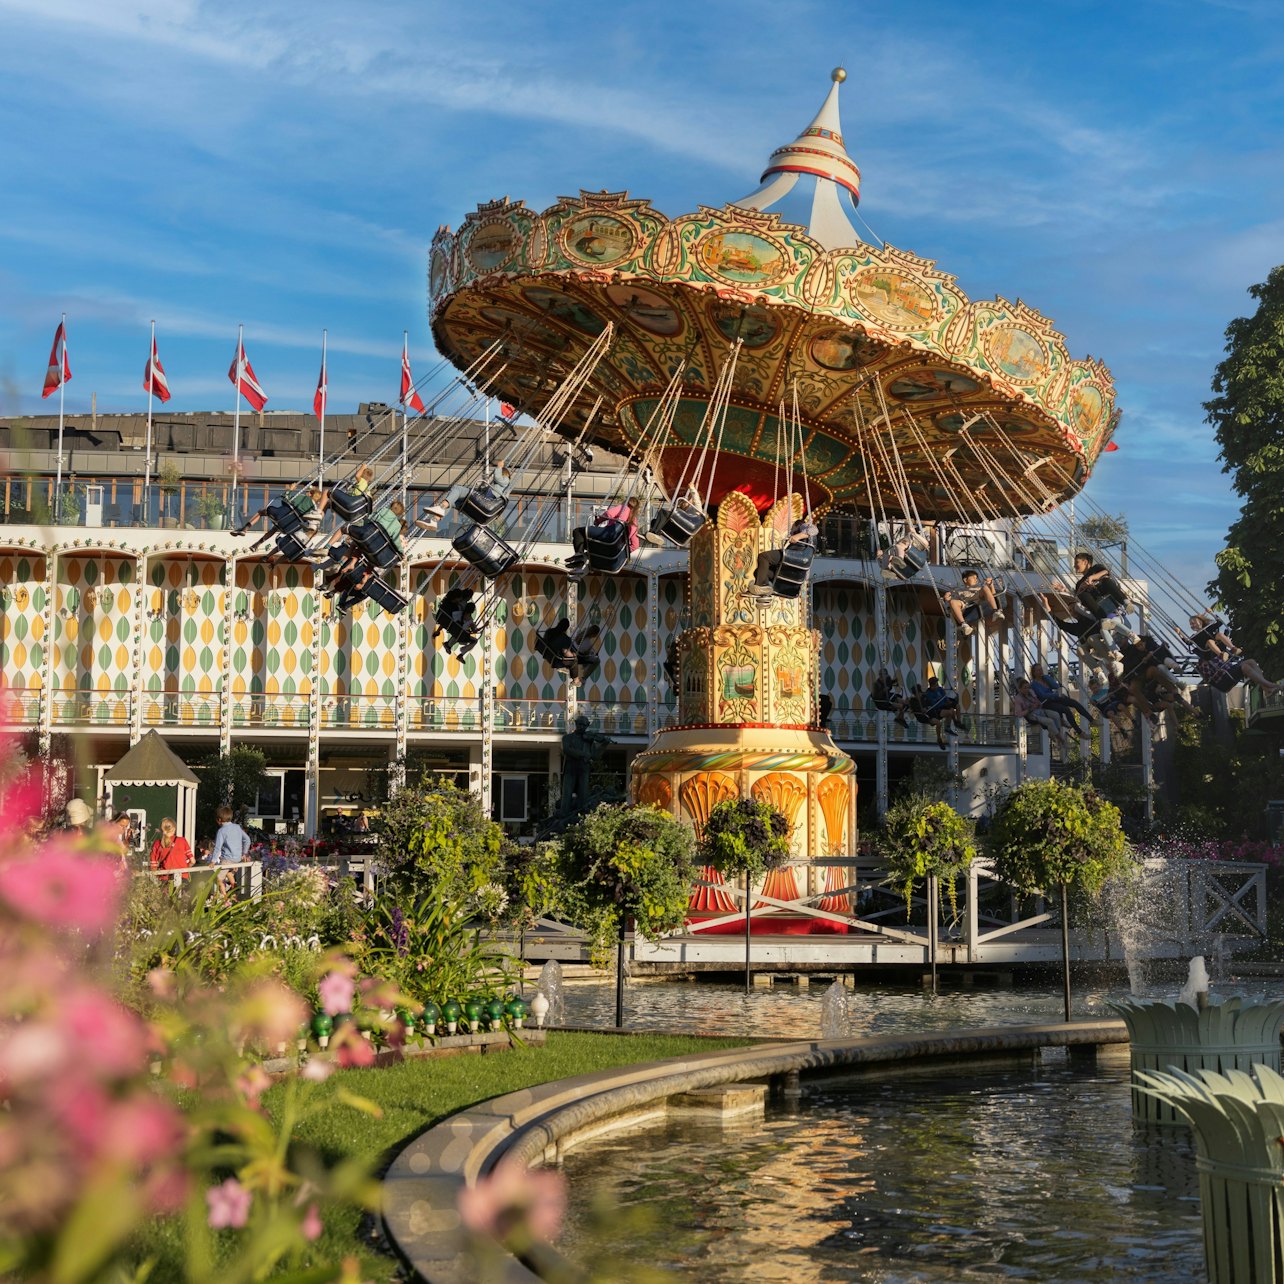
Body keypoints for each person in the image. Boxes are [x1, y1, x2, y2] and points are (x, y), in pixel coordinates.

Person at [1187, 613, 1280, 696]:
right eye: (1191, 624)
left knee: (1251, 661)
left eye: (1194, 622)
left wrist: (1211, 613)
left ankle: (1266, 689)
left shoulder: (1209, 629)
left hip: (1229, 670)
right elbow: (1188, 643)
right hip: (1223, 679)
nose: (1192, 625)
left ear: (1201, 622)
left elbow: (1218, 623)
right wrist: (1179, 633)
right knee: (1244, 666)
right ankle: (1271, 685)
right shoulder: (1202, 654)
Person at [421, 458, 514, 527]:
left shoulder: (506, 481)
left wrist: (499, 467)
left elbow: (497, 477)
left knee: (457, 489)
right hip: (481, 506)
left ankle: (442, 506)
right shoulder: (496, 488)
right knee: (453, 502)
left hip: (484, 504)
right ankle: (434, 520)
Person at [749, 512, 818, 597]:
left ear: (797, 525)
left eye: (792, 528)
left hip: (795, 555)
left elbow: (814, 530)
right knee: (759, 572)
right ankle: (765, 589)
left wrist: (798, 536)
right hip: (793, 559)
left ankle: (759, 586)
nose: (791, 531)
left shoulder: (802, 526)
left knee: (764, 556)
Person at [567, 499, 640, 574]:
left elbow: (609, 514)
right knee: (589, 548)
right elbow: (635, 545)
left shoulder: (624, 508)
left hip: (608, 534)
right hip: (613, 546)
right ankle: (579, 570)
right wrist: (621, 551)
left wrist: (599, 521)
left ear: (627, 502)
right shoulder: (634, 523)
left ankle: (579, 555)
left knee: (578, 532)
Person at [558, 716, 607, 816]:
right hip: (570, 768)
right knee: (567, 794)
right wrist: (583, 754)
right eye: (580, 724)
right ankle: (563, 815)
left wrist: (604, 745)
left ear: (587, 726)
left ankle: (582, 816)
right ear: (576, 724)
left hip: (584, 769)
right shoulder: (567, 738)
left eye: (584, 725)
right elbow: (567, 750)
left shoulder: (589, 741)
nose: (581, 727)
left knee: (583, 794)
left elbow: (595, 756)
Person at [1028, 663, 1094, 735]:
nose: (1040, 671)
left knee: (1073, 703)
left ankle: (1091, 720)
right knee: (1066, 709)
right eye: (1038, 670)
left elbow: (1055, 686)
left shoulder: (1045, 678)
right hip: (1046, 703)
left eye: (1041, 669)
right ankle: (1079, 732)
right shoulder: (1034, 684)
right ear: (1034, 673)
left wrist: (1047, 678)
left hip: (1054, 698)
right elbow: (1043, 695)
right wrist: (1056, 695)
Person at [1012, 678, 1069, 752]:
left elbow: (1037, 701)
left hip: (1039, 710)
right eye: (1025, 688)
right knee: (1050, 721)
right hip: (1032, 715)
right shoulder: (1018, 699)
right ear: (1020, 689)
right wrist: (1030, 709)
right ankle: (1062, 741)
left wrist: (1038, 703)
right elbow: (1019, 714)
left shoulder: (1031, 692)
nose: (1027, 689)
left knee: (1056, 715)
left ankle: (1055, 735)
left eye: (1028, 687)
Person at [944, 568, 1004, 636]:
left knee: (985, 588)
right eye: (973, 578)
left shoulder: (979, 587)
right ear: (965, 580)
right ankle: (964, 624)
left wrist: (991, 585)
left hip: (977, 598)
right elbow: (951, 604)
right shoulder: (958, 590)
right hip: (964, 603)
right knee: (953, 602)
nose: (976, 580)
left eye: (977, 578)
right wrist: (947, 599)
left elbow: (993, 595)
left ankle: (995, 611)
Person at [920, 674, 966, 743]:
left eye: (936, 684)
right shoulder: (928, 693)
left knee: (957, 706)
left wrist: (948, 702)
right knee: (951, 712)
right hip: (937, 709)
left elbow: (945, 698)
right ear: (931, 686)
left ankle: (958, 722)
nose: (936, 686)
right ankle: (949, 726)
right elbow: (933, 704)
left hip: (944, 704)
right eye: (935, 685)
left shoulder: (940, 689)